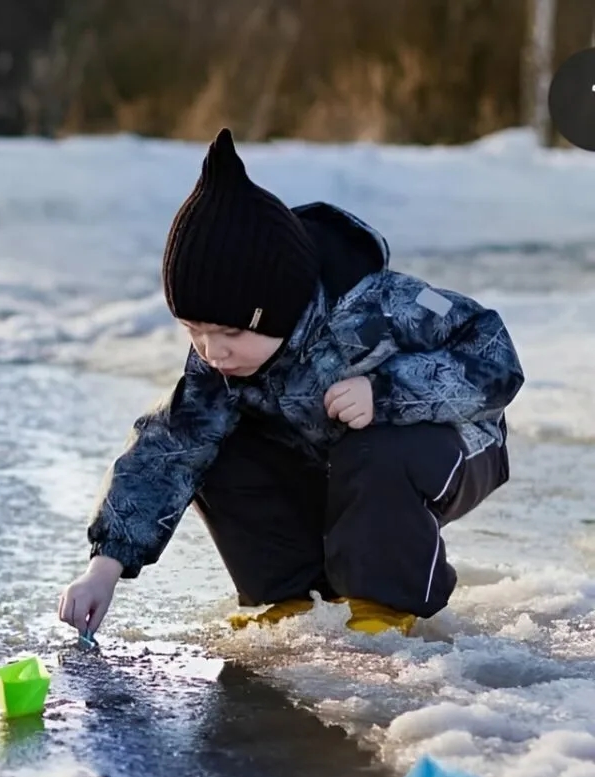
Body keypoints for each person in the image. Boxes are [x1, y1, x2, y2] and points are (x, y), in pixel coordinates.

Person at [58, 128, 524, 639]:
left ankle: (385, 605)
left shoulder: (385, 304)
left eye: (231, 332)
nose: (213, 351)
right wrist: (104, 567)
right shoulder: (220, 367)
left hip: (454, 445)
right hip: (329, 465)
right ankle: (289, 596)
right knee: (214, 448)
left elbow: (493, 350)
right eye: (195, 332)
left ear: (275, 306)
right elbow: (166, 450)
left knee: (373, 448)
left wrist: (386, 392)